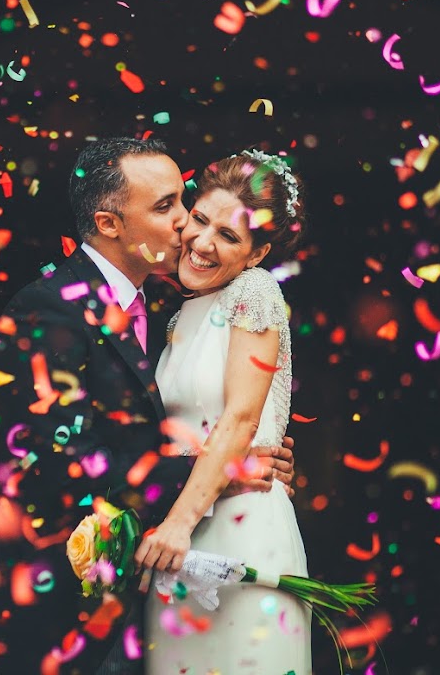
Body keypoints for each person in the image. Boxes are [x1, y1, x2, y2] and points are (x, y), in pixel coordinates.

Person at [0, 137, 296, 674]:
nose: (186, 223)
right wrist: (220, 472)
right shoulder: (47, 310)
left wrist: (258, 447)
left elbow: (218, 413)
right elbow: (60, 460)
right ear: (109, 223)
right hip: (68, 608)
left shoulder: (174, 302)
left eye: (184, 200)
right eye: (167, 206)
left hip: (176, 569)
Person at [133, 150, 310, 675]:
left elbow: (240, 420)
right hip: (181, 539)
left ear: (257, 254)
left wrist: (177, 526)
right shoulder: (182, 312)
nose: (203, 242)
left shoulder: (255, 291)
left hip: (238, 530)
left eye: (229, 236)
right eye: (200, 219)